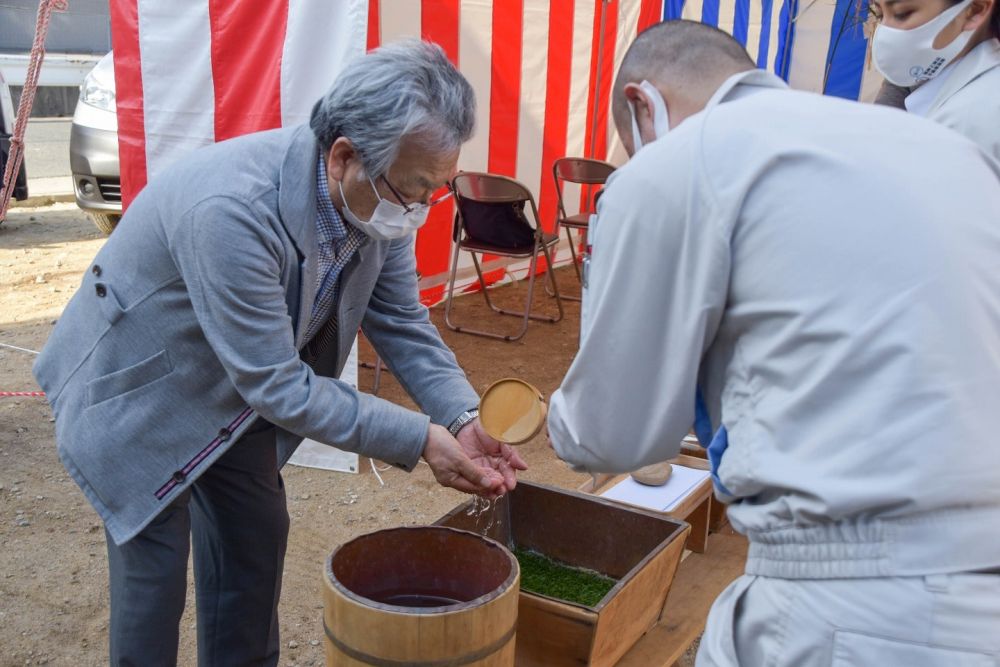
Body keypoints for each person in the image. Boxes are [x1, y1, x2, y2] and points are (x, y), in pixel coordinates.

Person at [33, 40, 526, 666]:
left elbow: (401, 317)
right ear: (346, 156)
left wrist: (461, 416)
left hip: (235, 392)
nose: (423, 209)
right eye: (416, 190)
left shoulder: (383, 201)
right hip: (144, 394)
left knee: (253, 545)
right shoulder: (233, 210)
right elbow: (279, 387)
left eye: (436, 189)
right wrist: (419, 438)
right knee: (153, 581)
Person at [547, 20, 1000, 666]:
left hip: (854, 600)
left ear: (642, 105)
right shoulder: (936, 146)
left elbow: (611, 437)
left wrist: (562, 418)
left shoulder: (682, 161)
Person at [871, 0, 1000, 161]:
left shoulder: (969, 124)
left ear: (974, 10)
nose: (885, 32)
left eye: (901, 14)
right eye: (879, 14)